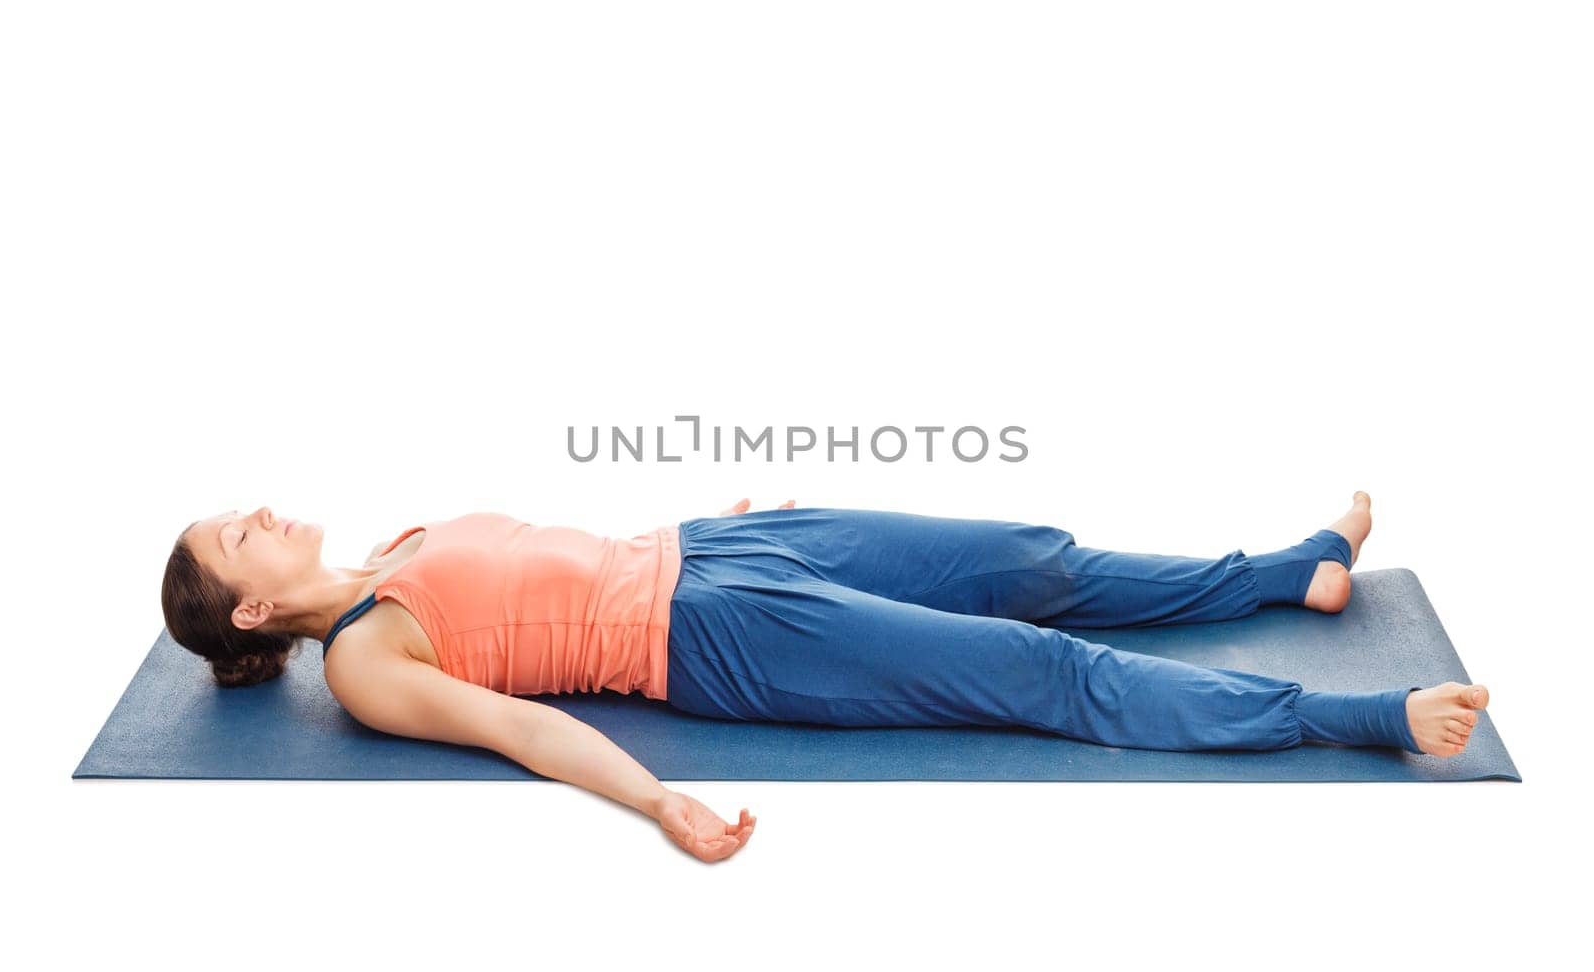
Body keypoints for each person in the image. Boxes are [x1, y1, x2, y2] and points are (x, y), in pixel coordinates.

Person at [162, 490, 1488, 864]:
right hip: (714, 640)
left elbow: (554, 553)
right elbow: (517, 723)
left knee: (1025, 557)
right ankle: (1357, 716)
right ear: (257, 605)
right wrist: (656, 803)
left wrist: (720, 514)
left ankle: (1285, 571)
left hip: (724, 544)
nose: (261, 508)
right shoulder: (369, 659)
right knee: (1037, 669)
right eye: (239, 534)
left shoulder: (397, 539)